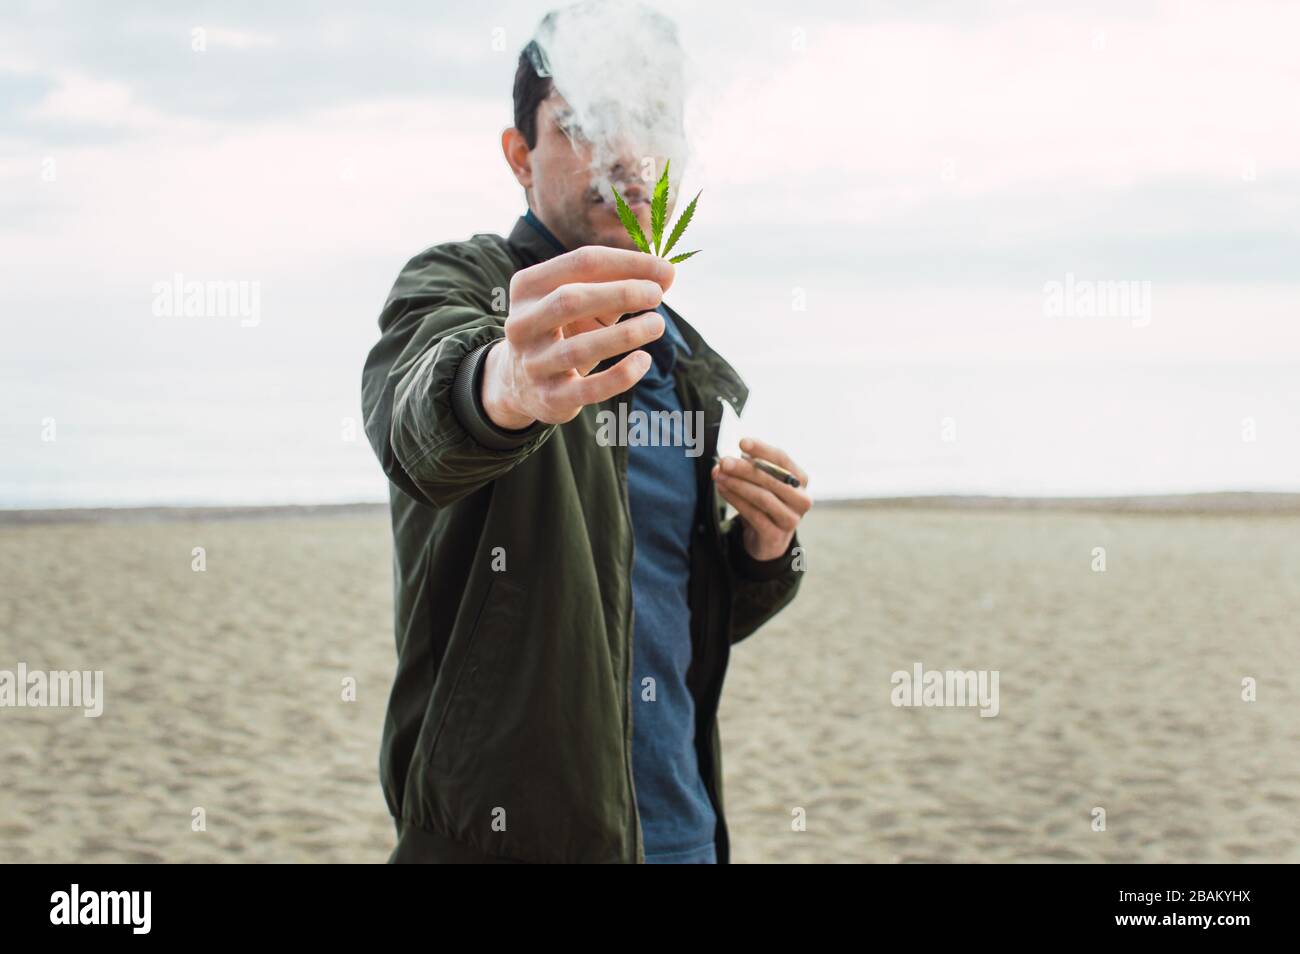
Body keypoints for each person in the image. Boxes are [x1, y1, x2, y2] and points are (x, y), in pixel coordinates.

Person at [361, 3, 811, 863]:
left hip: (682, 833)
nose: (623, 154)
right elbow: (416, 417)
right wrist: (501, 384)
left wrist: (762, 553)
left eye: (650, 123)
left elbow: (651, 610)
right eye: (582, 125)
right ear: (518, 155)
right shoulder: (462, 287)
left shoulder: (681, 361)